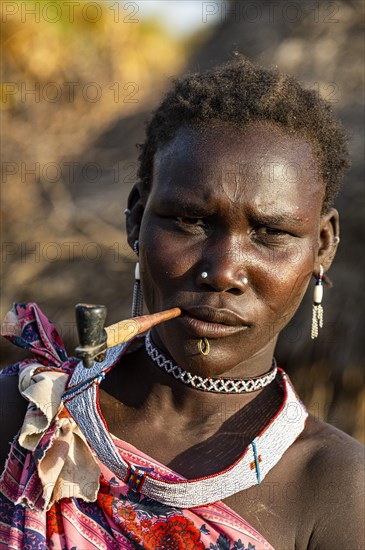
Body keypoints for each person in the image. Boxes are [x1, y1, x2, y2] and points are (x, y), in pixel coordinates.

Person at [0, 56, 363, 549]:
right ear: (135, 220)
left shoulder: (337, 488)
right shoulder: (26, 417)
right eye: (189, 221)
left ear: (322, 245)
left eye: (272, 232)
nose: (223, 271)